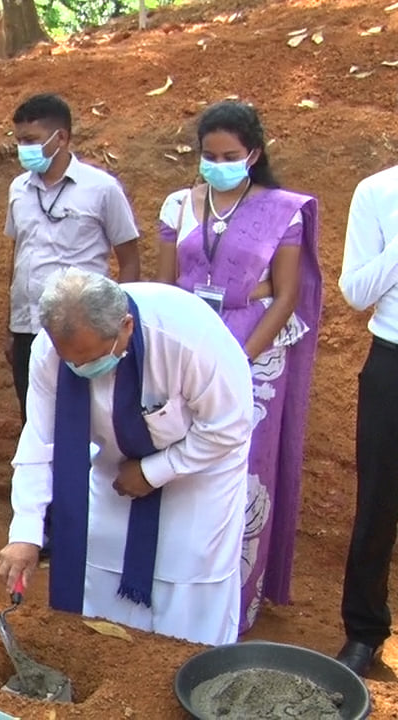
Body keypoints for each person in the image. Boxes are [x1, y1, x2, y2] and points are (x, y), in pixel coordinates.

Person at [0, 269, 253, 646]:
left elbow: (229, 426)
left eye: (91, 360)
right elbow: (39, 442)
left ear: (126, 327)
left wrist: (154, 471)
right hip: (114, 476)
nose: (81, 371)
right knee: (103, 585)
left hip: (198, 476)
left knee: (185, 597)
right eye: (72, 363)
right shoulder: (50, 353)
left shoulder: (189, 335)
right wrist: (26, 532)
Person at [157, 101, 322, 636]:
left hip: (252, 351)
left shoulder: (282, 209)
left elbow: (287, 294)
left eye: (230, 155)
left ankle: (236, 597)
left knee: (243, 468)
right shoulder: (180, 204)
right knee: (178, 458)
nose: (217, 163)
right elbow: (162, 288)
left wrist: (240, 356)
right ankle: (175, 589)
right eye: (209, 155)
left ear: (253, 154)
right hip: (183, 348)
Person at [7, 94, 141, 423]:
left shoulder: (103, 189)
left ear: (61, 137)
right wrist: (9, 328)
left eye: (31, 140)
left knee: (89, 418)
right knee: (35, 418)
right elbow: (18, 256)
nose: (24, 148)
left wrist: (114, 325)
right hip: (28, 326)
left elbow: (130, 260)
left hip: (83, 328)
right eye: (19, 140)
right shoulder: (18, 189)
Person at [333, 163, 398, 676]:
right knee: (378, 501)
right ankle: (364, 631)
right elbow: (355, 291)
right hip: (392, 360)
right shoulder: (377, 190)